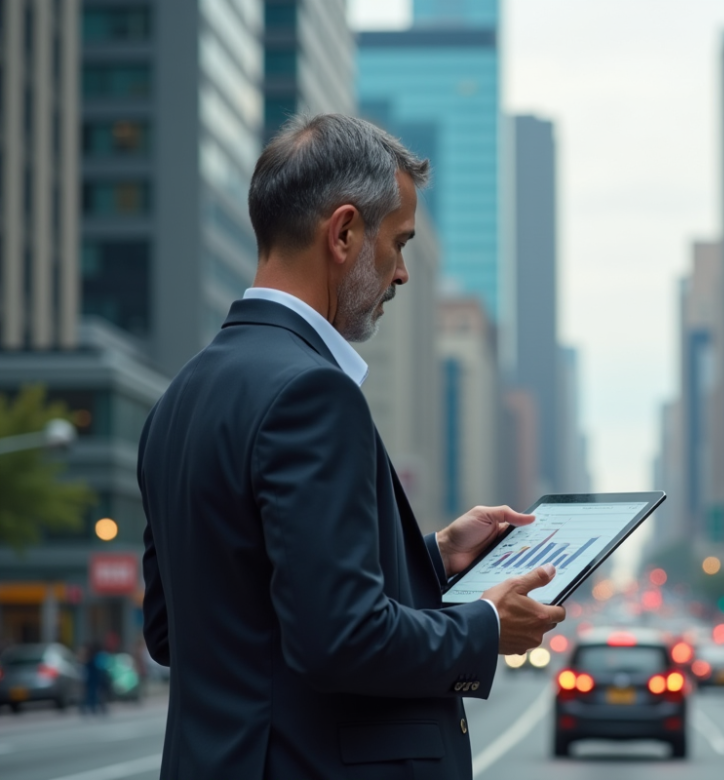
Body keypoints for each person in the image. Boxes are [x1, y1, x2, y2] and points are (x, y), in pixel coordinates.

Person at [137, 114, 565, 779]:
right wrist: (484, 626)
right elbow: (341, 639)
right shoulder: (312, 393)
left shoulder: (178, 400)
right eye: (398, 244)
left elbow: (181, 631)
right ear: (342, 233)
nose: (401, 275)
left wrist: (434, 557)